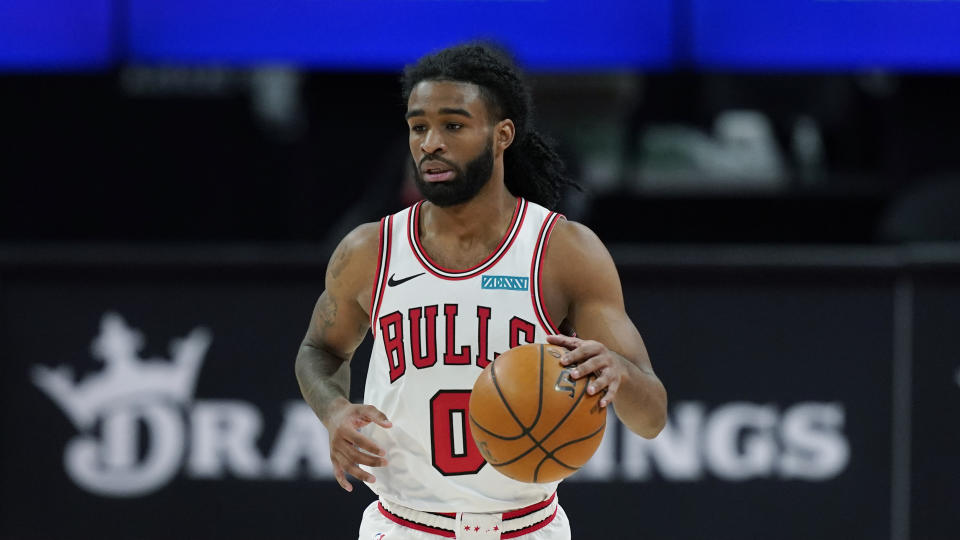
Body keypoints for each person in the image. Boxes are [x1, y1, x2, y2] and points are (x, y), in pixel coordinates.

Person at [295, 43, 667, 540]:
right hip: (404, 526)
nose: (430, 143)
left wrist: (618, 372)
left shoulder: (563, 251)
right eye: (418, 126)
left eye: (453, 125)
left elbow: (652, 419)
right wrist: (334, 409)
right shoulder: (370, 249)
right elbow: (318, 351)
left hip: (527, 527)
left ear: (502, 134)